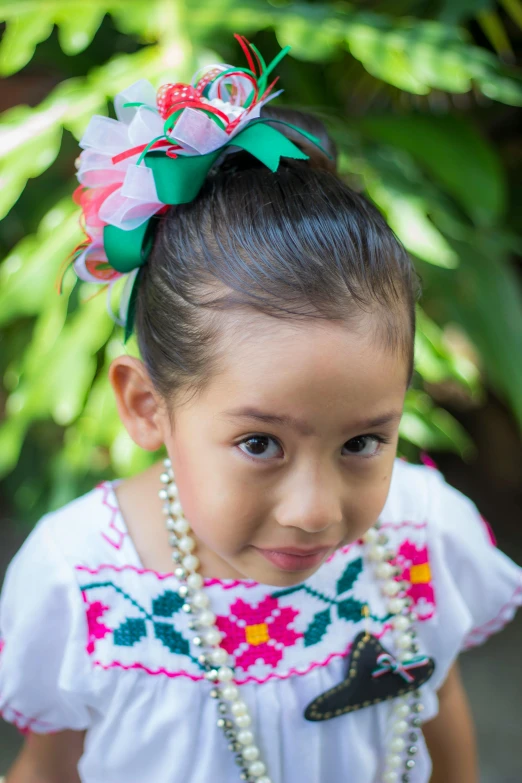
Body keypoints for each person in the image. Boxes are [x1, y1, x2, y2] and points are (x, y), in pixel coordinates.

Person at [0, 36, 520, 783]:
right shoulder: (82, 583)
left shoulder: (422, 536)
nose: (314, 511)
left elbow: (438, 712)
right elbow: (48, 768)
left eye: (364, 442)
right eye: (259, 443)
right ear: (148, 404)